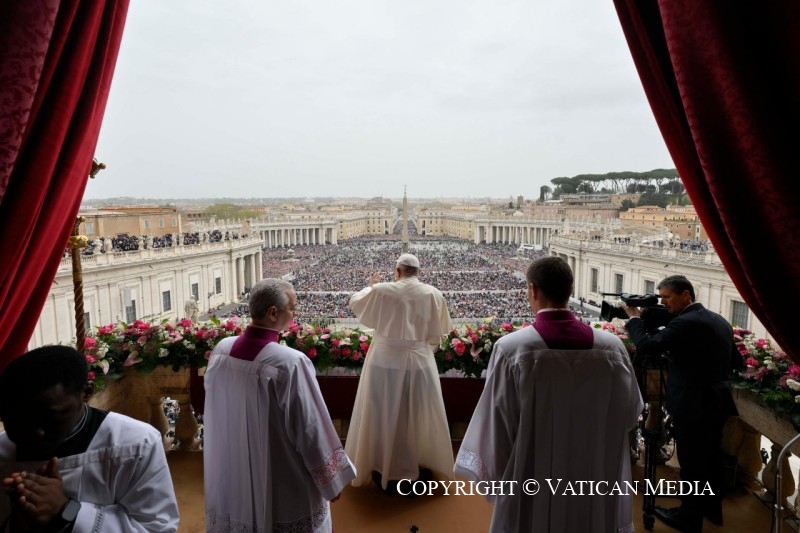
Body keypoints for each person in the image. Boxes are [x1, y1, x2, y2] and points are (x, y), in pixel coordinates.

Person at [455, 256, 643, 532]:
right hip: (594, 473)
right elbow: (630, 413)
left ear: (532, 290)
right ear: (570, 289)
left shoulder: (512, 349)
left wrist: (497, 477)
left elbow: (498, 423)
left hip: (533, 474)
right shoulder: (612, 348)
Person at [203, 278, 355, 533]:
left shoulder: (221, 351)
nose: (295, 315)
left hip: (235, 468)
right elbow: (310, 428)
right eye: (292, 308)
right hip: (281, 474)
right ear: (273, 313)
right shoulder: (289, 362)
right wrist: (330, 480)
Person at [0, 345, 180, 532]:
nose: (35, 432)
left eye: (51, 417)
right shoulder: (2, 452)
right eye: (16, 420)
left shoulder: (135, 444)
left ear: (86, 392)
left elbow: (157, 528)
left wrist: (67, 513)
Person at [623, 275, 742, 533]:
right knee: (711, 460)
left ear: (686, 294)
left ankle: (688, 518)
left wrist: (633, 320)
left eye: (667, 297)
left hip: (693, 404)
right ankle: (712, 509)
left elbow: (647, 347)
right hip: (717, 401)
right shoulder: (717, 319)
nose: (662, 302)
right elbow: (737, 362)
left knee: (693, 465)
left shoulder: (686, 322)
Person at [345, 253, 454, 494]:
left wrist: (370, 286)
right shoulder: (433, 293)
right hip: (419, 361)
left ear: (397, 272)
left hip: (384, 362)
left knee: (381, 412)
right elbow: (442, 330)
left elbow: (356, 302)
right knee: (417, 414)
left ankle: (382, 463)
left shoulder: (383, 290)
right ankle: (413, 462)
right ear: (419, 272)